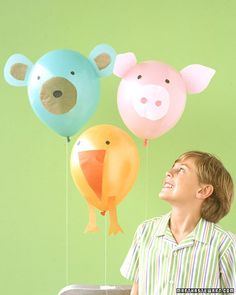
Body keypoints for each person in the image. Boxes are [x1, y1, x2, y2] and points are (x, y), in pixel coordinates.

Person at [120, 151, 236, 295]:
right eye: (172, 167)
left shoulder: (224, 244)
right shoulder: (145, 231)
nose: (168, 172)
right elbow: (137, 289)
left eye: (181, 169)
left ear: (203, 191)